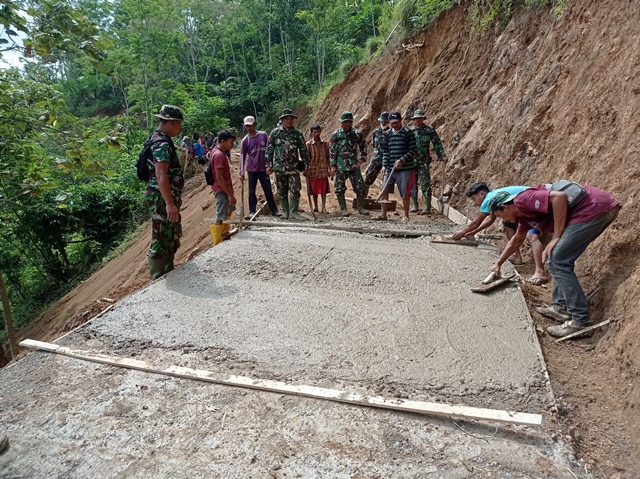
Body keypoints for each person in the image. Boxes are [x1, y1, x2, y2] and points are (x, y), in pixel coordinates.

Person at [488, 184, 621, 339]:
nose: (501, 219)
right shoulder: (524, 217)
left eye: (499, 216)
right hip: (596, 209)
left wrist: (557, 236)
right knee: (556, 258)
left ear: (505, 208)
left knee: (557, 260)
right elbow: (516, 241)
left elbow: (559, 197)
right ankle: (561, 307)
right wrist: (498, 264)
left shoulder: (522, 200)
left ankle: (580, 321)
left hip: (593, 208)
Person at [453, 183, 548, 284]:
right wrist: (473, 232)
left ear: (481, 194)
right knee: (508, 224)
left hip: (535, 204)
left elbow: (477, 222)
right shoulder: (495, 197)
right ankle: (517, 257)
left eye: (473, 198)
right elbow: (490, 219)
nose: (475, 203)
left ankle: (540, 272)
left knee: (531, 236)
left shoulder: (488, 199)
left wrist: (463, 233)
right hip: (528, 205)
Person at [143, 105, 185, 280]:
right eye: (179, 124)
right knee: (161, 235)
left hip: (165, 196)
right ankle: (158, 276)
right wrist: (169, 203)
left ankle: (169, 271)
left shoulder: (159, 139)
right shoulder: (161, 143)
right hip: (161, 197)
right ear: (172, 122)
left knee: (170, 233)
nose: (180, 128)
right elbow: (161, 174)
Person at [266, 109, 310, 220]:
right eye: (287, 119)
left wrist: (306, 165)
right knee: (282, 190)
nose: (289, 121)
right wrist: (269, 165)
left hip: (293, 167)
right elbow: (269, 150)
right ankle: (286, 212)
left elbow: (303, 150)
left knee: (295, 189)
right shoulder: (275, 133)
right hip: (279, 167)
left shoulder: (297, 133)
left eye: (291, 119)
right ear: (282, 120)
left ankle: (293, 212)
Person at [375, 110, 418, 222]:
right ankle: (383, 214)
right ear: (389, 122)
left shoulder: (408, 133)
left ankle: (406, 215)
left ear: (401, 121)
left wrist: (402, 160)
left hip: (405, 169)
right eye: (392, 123)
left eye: (397, 122)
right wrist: (384, 165)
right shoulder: (387, 134)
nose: (395, 125)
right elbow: (386, 151)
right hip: (390, 168)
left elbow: (413, 150)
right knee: (384, 190)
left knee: (405, 192)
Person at [329, 111, 369, 217]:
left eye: (349, 122)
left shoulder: (356, 133)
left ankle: (361, 207)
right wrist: (333, 165)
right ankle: (343, 209)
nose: (347, 124)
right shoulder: (336, 135)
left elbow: (363, 145)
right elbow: (332, 151)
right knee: (339, 187)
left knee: (360, 186)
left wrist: (363, 158)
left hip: (353, 165)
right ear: (341, 123)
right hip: (341, 166)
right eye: (345, 122)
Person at [240, 116, 280, 217]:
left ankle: (274, 209)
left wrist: (270, 165)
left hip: (263, 169)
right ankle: (252, 210)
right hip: (252, 170)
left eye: (250, 125)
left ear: (255, 124)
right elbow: (242, 157)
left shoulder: (263, 135)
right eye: (247, 126)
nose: (249, 128)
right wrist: (241, 172)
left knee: (267, 189)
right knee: (252, 191)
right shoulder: (245, 141)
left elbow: (269, 150)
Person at [411, 109, 448, 215]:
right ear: (414, 120)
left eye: (420, 118)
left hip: (424, 161)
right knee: (412, 183)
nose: (418, 120)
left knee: (425, 183)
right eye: (416, 119)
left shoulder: (429, 130)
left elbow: (437, 143)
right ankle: (414, 205)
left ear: (423, 119)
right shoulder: (410, 131)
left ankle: (427, 206)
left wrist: (442, 156)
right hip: (411, 161)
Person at [208, 129, 238, 245]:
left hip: (223, 188)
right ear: (223, 141)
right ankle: (217, 241)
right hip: (221, 189)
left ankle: (225, 233)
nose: (232, 145)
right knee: (220, 214)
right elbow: (220, 177)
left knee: (227, 210)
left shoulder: (216, 151)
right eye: (230, 142)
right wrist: (230, 194)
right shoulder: (219, 155)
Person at [305, 123, 332, 214]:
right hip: (312, 171)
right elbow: (306, 158)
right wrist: (306, 169)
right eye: (314, 132)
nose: (316, 133)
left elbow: (329, 157)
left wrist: (330, 169)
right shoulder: (308, 144)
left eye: (318, 131)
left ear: (320, 132)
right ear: (311, 133)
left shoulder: (325, 144)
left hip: (323, 170)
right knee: (314, 190)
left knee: (323, 190)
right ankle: (316, 207)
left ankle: (323, 207)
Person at [363, 111, 390, 197]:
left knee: (386, 180)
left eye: (385, 121)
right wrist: (372, 158)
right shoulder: (376, 132)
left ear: (388, 122)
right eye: (382, 121)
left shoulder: (391, 132)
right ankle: (363, 197)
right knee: (368, 177)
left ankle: (384, 199)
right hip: (376, 159)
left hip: (387, 160)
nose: (383, 123)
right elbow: (374, 145)